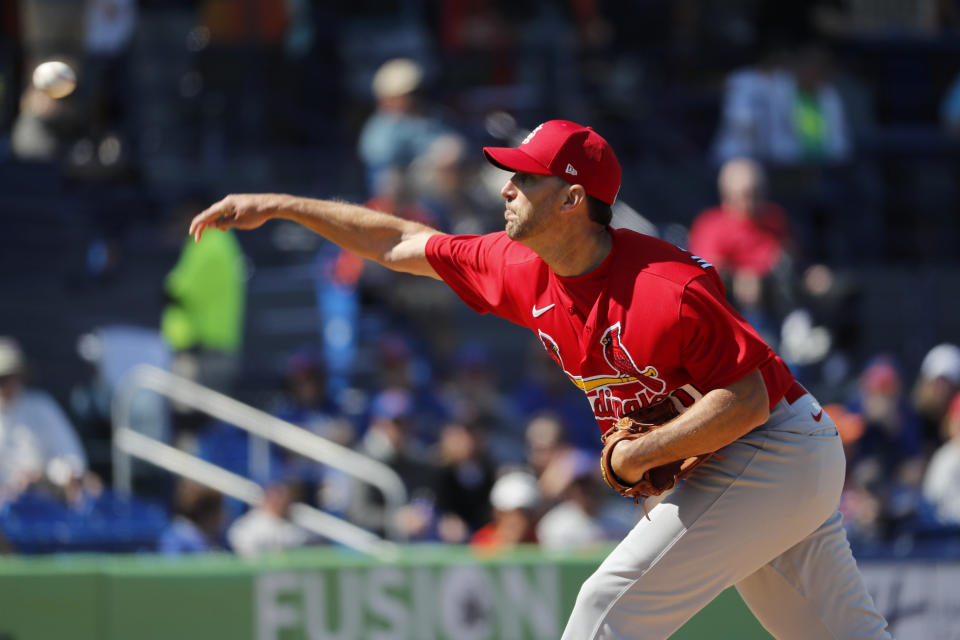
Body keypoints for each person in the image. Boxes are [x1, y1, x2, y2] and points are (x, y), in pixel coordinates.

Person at [190, 119, 890, 638]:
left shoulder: (664, 287)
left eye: (525, 177)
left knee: (603, 611)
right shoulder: (521, 266)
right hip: (757, 465)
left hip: (771, 447)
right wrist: (281, 204)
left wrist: (639, 453)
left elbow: (750, 398)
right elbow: (396, 240)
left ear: (572, 200)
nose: (507, 187)